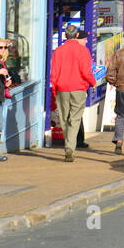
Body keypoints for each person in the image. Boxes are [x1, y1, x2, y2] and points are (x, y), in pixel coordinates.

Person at [51, 24, 97, 162]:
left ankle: (68, 144)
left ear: (65, 35)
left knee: (64, 119)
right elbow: (86, 71)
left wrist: (54, 89)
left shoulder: (58, 51)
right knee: (75, 119)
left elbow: (54, 73)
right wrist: (93, 83)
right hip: (78, 88)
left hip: (62, 88)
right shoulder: (83, 51)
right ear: (77, 35)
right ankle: (70, 147)